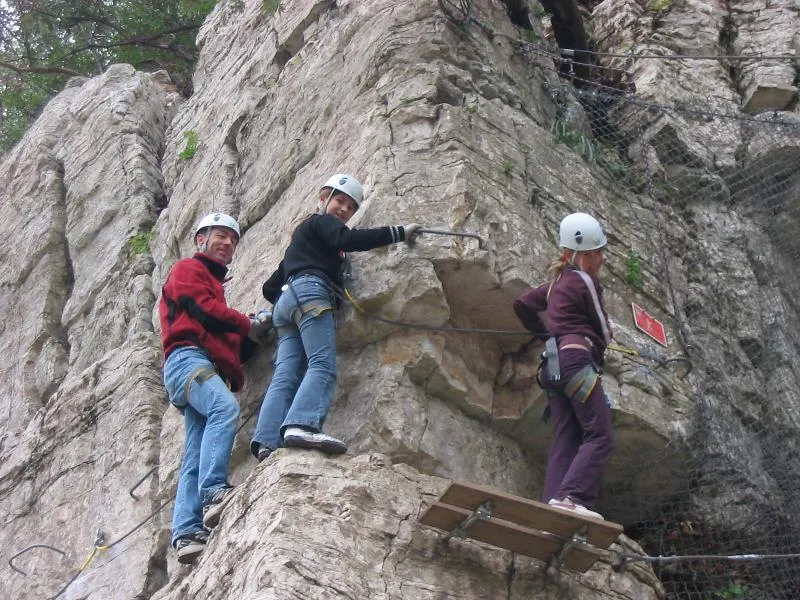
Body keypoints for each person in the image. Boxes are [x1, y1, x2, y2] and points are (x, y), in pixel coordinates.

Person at [250, 174, 420, 461]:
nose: (344, 210)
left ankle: (267, 441)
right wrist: (398, 233)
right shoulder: (320, 223)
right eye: (339, 201)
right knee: (322, 363)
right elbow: (347, 238)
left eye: (351, 207)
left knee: (285, 374)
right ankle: (302, 424)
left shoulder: (299, 240)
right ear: (323, 198)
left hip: (286, 305)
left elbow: (269, 287)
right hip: (312, 294)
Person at [160, 212, 268, 564]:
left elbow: (219, 334)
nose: (227, 243)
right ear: (200, 240)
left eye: (233, 239)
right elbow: (200, 308)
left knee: (193, 451)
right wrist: (246, 323)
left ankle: (187, 532)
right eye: (220, 235)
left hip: (195, 364)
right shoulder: (188, 270)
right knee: (224, 409)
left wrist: (250, 337)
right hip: (188, 359)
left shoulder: (212, 283)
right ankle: (213, 492)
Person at [513, 212, 614, 520]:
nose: (601, 258)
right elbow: (603, 327)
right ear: (576, 255)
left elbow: (521, 304)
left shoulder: (554, 283)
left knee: (566, 438)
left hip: (554, 368)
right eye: (595, 252)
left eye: (600, 251)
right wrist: (604, 341)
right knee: (600, 434)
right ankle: (572, 498)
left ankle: (552, 508)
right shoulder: (584, 280)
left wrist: (547, 336)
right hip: (576, 363)